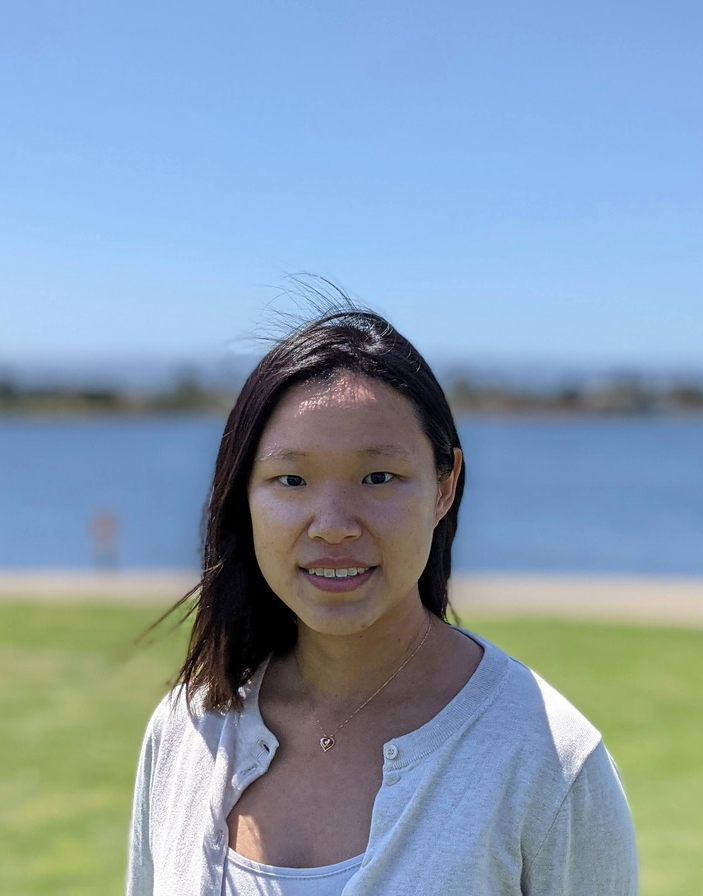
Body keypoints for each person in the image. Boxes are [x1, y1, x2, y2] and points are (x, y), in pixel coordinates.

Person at [127, 297, 638, 896]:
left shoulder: (549, 762)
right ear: (245, 495)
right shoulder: (188, 727)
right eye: (291, 480)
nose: (333, 525)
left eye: (378, 478)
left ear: (444, 487)